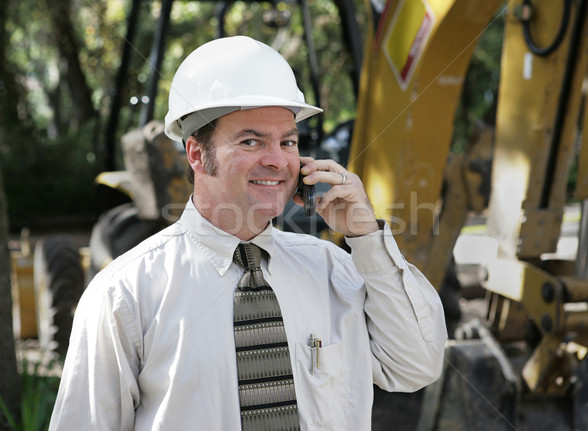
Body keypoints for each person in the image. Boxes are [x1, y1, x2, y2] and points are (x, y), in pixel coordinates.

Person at [49, 36, 446, 430]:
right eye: (251, 140)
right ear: (196, 154)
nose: (276, 160)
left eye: (287, 142)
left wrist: (367, 238)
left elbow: (417, 365)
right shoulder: (125, 293)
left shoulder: (335, 269)